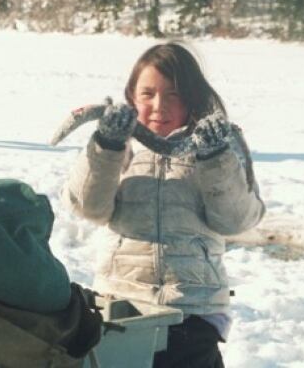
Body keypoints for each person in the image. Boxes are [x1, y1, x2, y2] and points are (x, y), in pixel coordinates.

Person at [63, 42, 265, 367]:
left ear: (193, 97)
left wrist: (215, 159)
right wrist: (106, 146)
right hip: (123, 307)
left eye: (174, 94)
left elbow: (236, 220)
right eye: (148, 94)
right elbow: (89, 206)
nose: (160, 106)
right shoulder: (120, 146)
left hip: (192, 312)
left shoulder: (219, 148)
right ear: (131, 96)